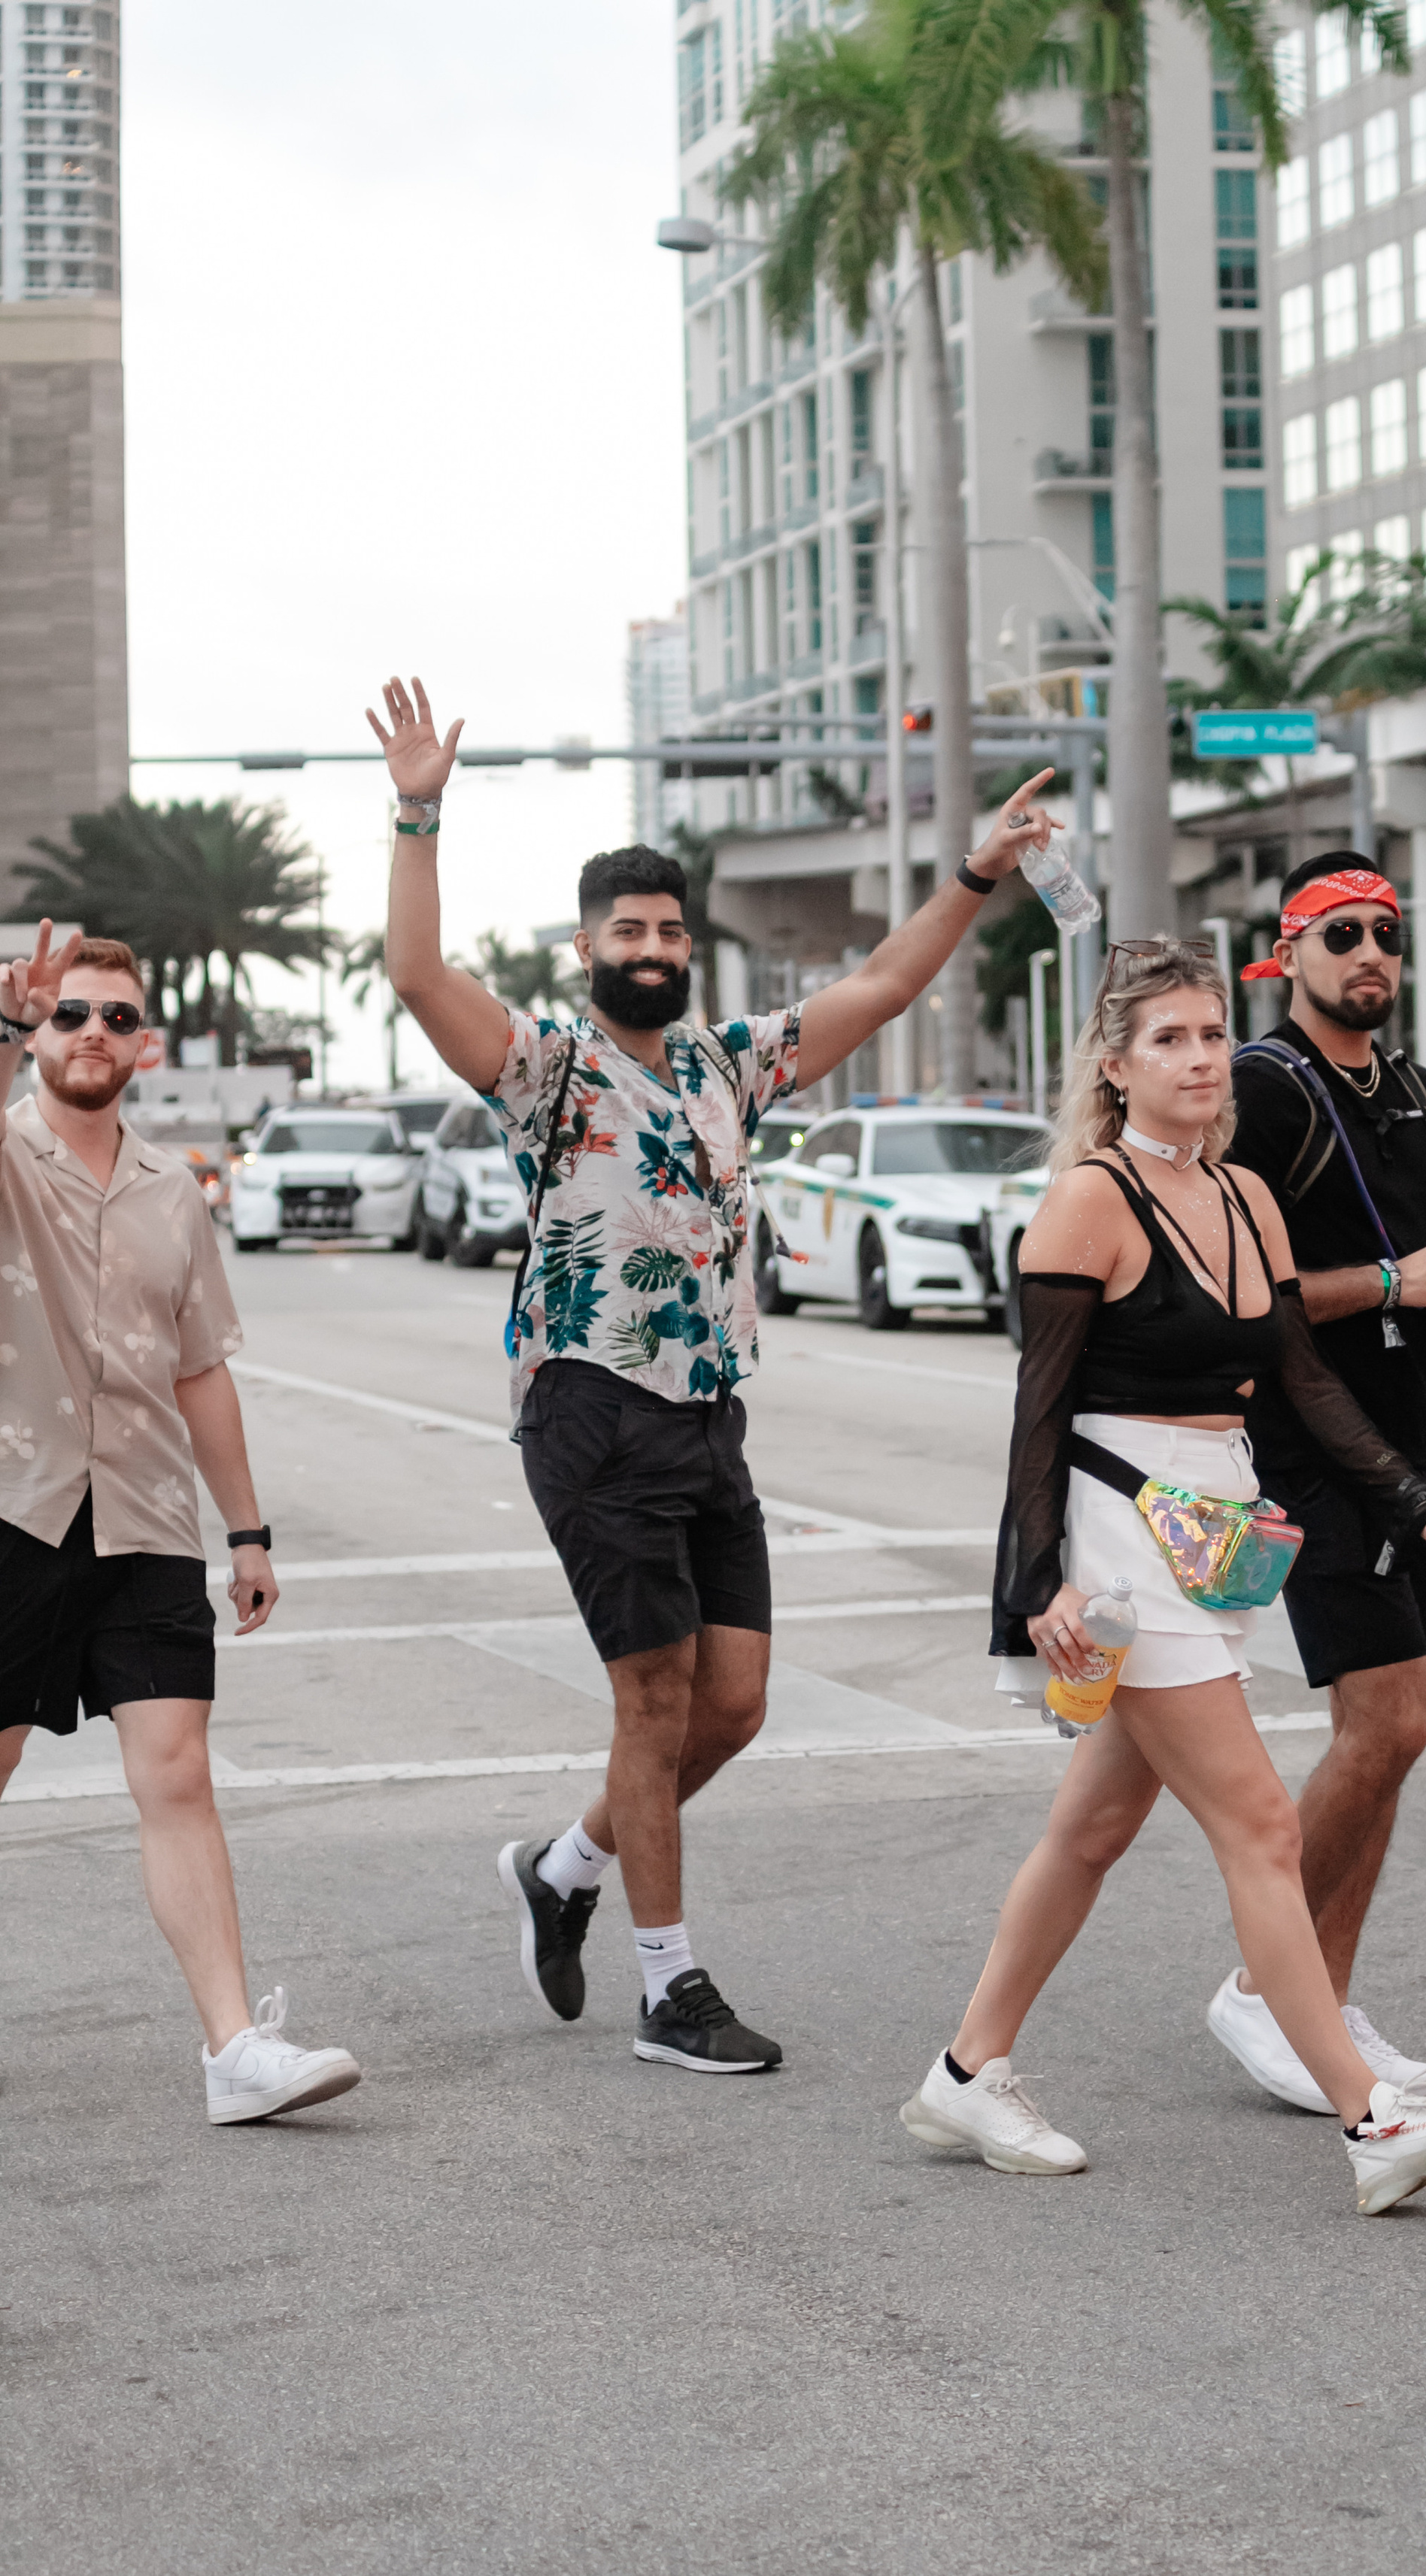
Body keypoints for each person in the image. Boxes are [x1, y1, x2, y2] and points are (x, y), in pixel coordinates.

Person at [366, 674, 1059, 2077]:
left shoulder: (729, 1065)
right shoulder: (547, 1073)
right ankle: (667, 1986)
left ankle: (563, 1869)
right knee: (655, 1703)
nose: (655, 943)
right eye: (629, 927)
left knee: (734, 1706)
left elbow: (882, 982)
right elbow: (419, 978)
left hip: (707, 1418)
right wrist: (420, 813)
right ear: (586, 948)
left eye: (671, 928)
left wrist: (977, 873)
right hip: (590, 1409)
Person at [898, 938, 1426, 2214]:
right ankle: (1370, 2114)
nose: (1197, 1058)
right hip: (1121, 1544)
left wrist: (1415, 1499)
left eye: (1209, 1033)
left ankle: (967, 2070)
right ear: (1117, 1066)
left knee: (1093, 1828)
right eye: (1167, 1038)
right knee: (1263, 1825)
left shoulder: (1241, 1197)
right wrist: (1034, 1585)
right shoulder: (1090, 1199)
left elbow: (1299, 1374)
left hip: (1209, 1532)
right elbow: (1038, 1411)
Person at [0, 926, 362, 2126]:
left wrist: (248, 1531)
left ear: (143, 1045)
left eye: (113, 1018)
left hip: (147, 1516)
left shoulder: (173, 1192)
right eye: (68, 1017)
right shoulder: (6, 1154)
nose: (90, 1034)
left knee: (178, 1773)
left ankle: (232, 2050)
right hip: (14, 1507)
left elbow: (200, 1368)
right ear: (37, 1033)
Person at [1198, 852, 1426, 2116]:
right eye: (1339, 936)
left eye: (1387, 932)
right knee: (1388, 1724)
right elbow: (1253, 1297)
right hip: (1304, 1449)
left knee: (1385, 1746)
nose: (1370, 955)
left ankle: (1319, 2002)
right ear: (1286, 956)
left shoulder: (1415, 1088)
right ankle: (1261, 1992)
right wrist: (1402, 1282)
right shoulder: (1260, 1090)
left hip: (1409, 1447)